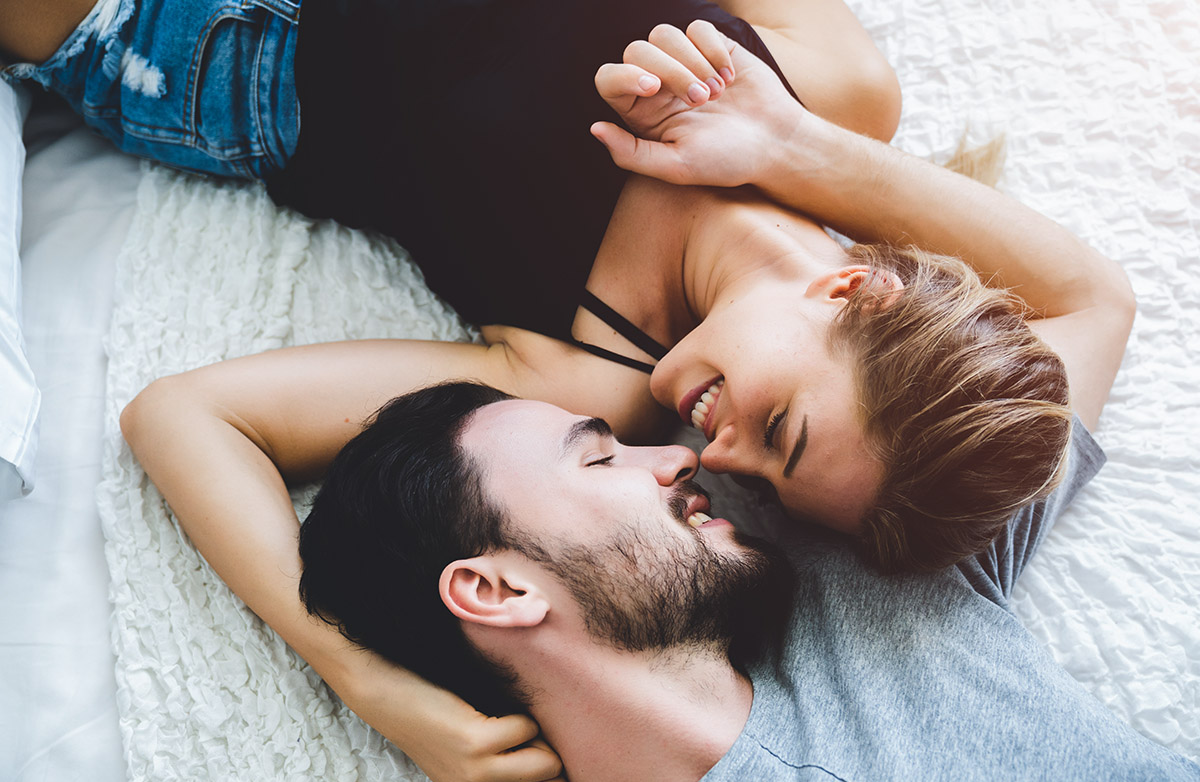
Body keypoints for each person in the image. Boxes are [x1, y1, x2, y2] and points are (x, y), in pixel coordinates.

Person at [1, 0, 1136, 571]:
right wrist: (790, 142)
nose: (721, 458)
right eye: (779, 430)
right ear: (853, 294)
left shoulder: (585, 378)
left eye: (768, 487)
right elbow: (1098, 298)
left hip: (215, 40)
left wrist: (375, 683)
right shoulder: (833, 92)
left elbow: (185, 418)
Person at [295, 380, 1200, 782]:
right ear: (494, 592)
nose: (676, 457)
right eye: (600, 457)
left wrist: (795, 145)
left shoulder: (863, 561)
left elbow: (1085, 306)